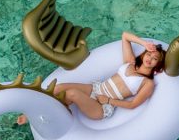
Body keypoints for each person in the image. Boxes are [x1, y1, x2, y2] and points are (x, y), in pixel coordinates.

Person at [17, 31, 165, 124]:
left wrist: (108, 100)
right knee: (58, 87)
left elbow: (133, 105)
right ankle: (34, 111)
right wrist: (144, 43)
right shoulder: (130, 62)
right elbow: (125, 36)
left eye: (155, 59)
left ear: (157, 65)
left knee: (71, 94)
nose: (150, 58)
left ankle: (43, 114)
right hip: (97, 88)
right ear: (145, 52)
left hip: (103, 105)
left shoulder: (147, 83)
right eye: (149, 54)